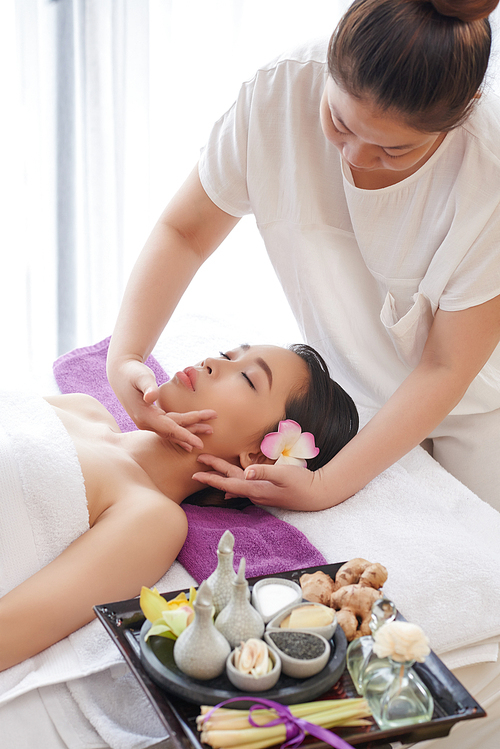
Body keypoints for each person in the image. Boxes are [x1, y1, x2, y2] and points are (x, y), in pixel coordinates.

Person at [107, 0, 500, 511]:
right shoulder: (281, 89)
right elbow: (186, 231)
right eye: (339, 121)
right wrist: (126, 357)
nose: (355, 157)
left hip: (478, 409)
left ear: (464, 109)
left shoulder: (486, 172)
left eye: (394, 150)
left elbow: (446, 367)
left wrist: (326, 487)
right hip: (343, 392)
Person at [0, 343, 357, 673]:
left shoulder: (152, 519)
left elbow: (11, 630)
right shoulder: (82, 406)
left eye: (247, 378)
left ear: (260, 457)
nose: (212, 362)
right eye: (227, 354)